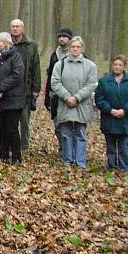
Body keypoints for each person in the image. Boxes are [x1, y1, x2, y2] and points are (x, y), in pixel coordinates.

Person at [50, 36, 98, 169]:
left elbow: (91, 84)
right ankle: (67, 160)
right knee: (65, 133)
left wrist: (77, 97)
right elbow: (55, 82)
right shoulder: (60, 65)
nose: (75, 49)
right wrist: (66, 97)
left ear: (82, 48)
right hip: (64, 104)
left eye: (78, 47)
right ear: (69, 48)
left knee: (80, 133)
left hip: (82, 105)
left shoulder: (90, 66)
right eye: (73, 47)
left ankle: (80, 162)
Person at [95, 55, 128, 172]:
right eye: (115, 64)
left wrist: (125, 110)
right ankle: (111, 166)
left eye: (120, 65)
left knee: (123, 145)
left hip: (125, 120)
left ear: (124, 66)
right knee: (110, 145)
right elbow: (99, 98)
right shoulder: (104, 81)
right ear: (112, 65)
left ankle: (124, 167)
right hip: (108, 119)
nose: (117, 67)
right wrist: (110, 110)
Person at [0, 31, 25, 165]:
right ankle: (3, 154)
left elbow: (17, 75)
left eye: (0, 41)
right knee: (2, 128)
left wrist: (1, 88)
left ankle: (16, 156)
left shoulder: (15, 57)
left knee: (12, 128)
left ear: (7, 43)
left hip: (13, 99)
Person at [9, 19, 40, 150]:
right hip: (9, 88)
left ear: (23, 28)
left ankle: (24, 144)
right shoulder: (6, 43)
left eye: (18, 26)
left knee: (24, 119)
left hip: (26, 88)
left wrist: (36, 88)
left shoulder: (31, 45)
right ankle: (11, 143)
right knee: (10, 118)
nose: (15, 29)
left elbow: (36, 67)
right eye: (13, 27)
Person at [44, 27, 73, 152]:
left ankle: (71, 150)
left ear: (70, 39)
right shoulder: (54, 55)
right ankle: (63, 147)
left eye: (64, 36)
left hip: (72, 96)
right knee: (57, 124)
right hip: (55, 95)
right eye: (60, 36)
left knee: (71, 125)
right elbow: (50, 75)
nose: (61, 39)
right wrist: (46, 95)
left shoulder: (76, 55)